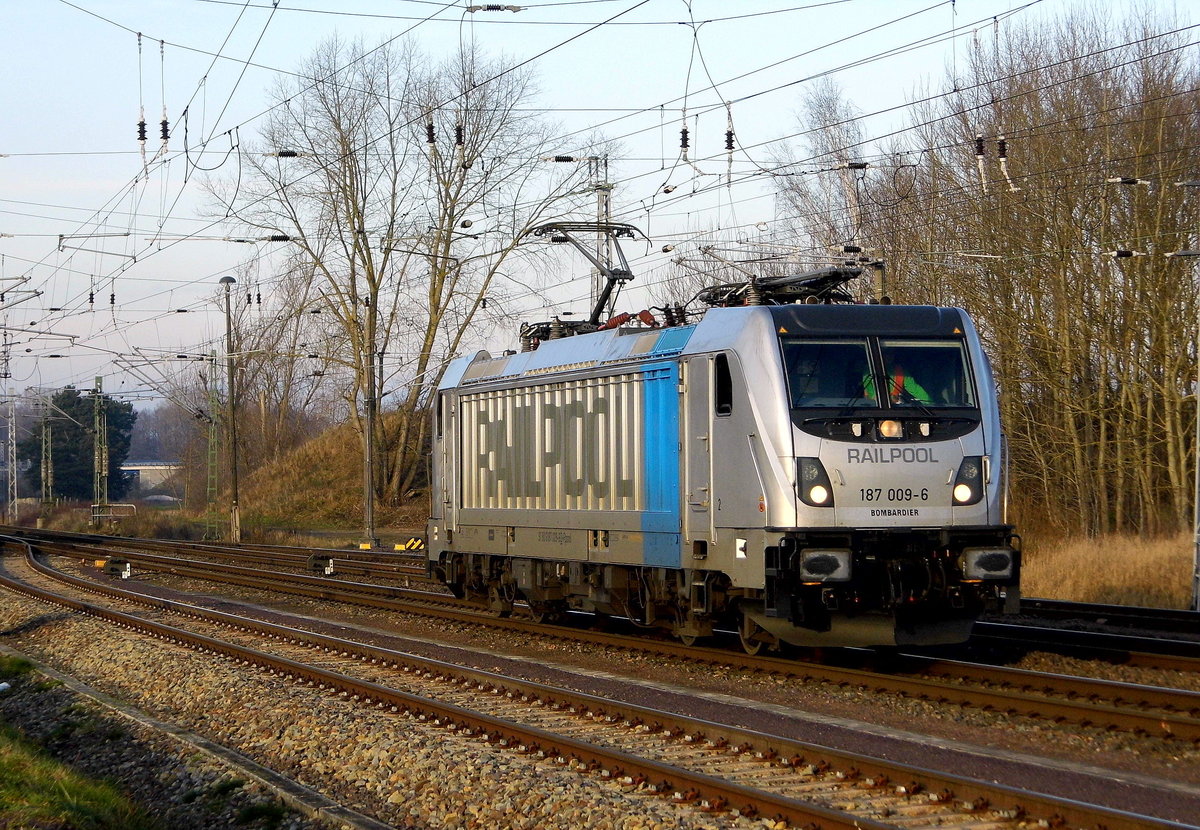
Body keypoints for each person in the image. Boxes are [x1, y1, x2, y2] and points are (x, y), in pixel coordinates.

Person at [863, 361, 931, 404]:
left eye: (891, 352)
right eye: (885, 353)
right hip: (872, 410)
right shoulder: (869, 371)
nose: (888, 356)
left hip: (897, 410)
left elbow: (916, 390)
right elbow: (870, 394)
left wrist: (930, 405)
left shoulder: (901, 371)